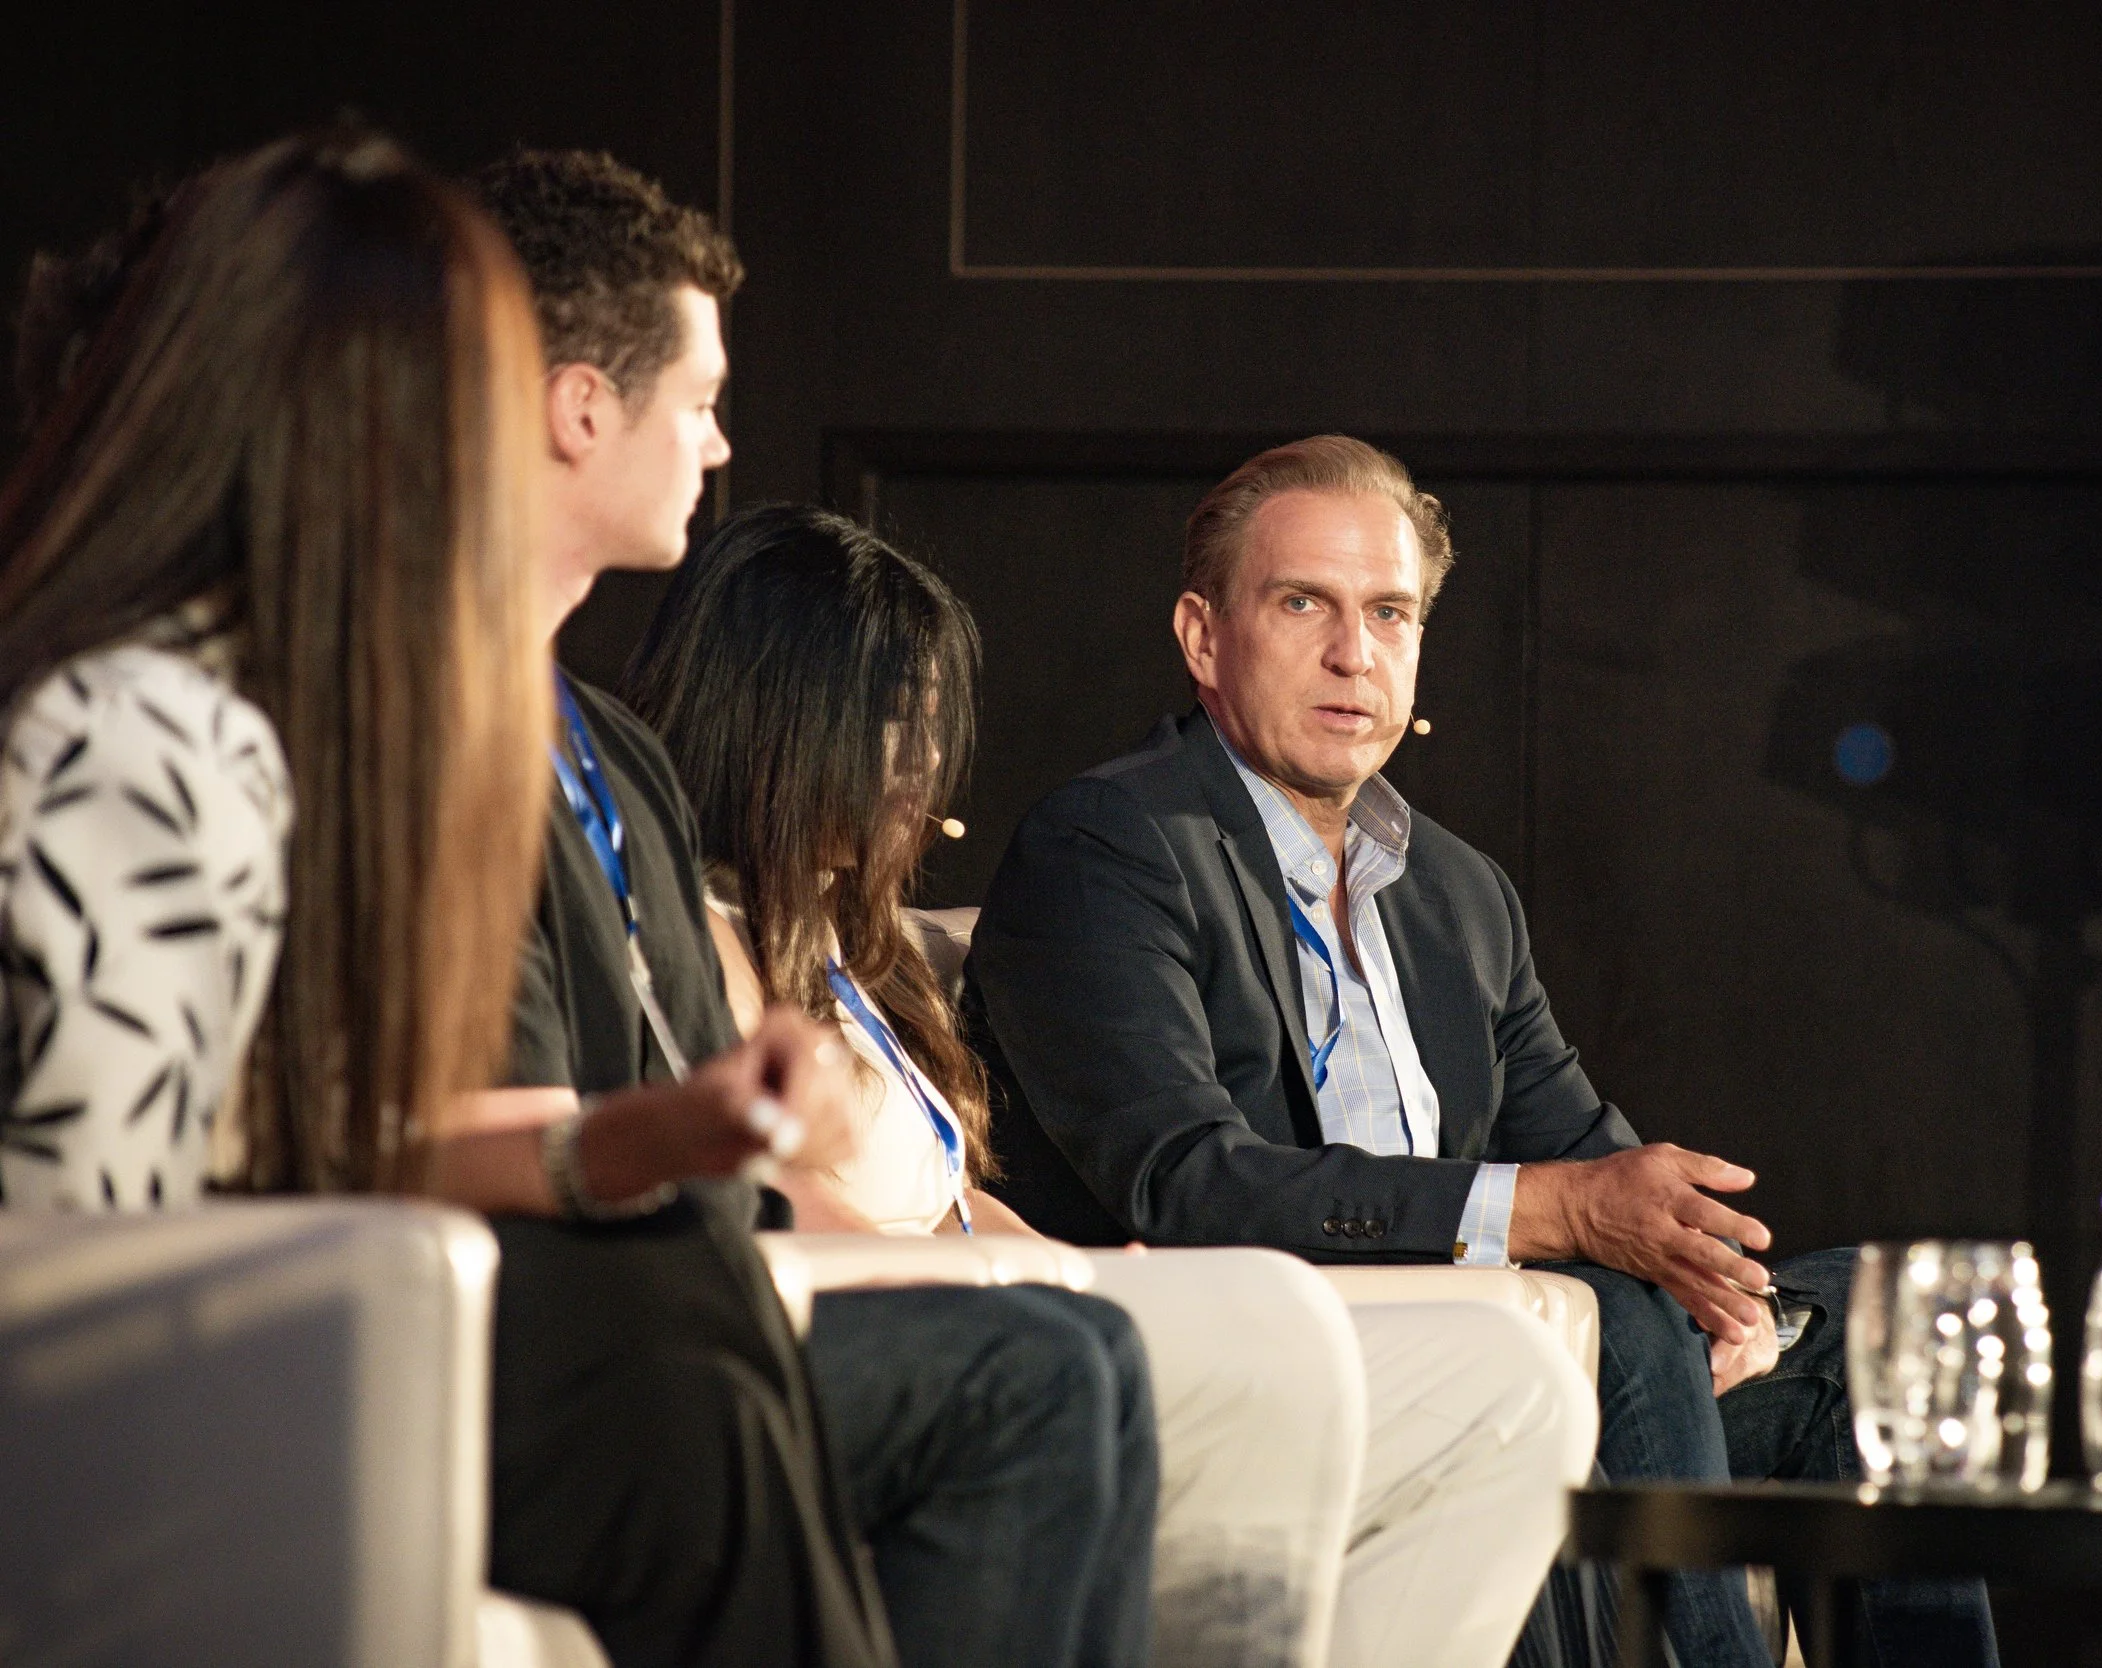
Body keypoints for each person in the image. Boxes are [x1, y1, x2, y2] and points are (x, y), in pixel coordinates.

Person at [0, 131, 888, 1668]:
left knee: (688, 1307)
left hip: (283, 1314)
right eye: (471, 385)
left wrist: (657, 1137)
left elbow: (326, 1133)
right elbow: (88, 1255)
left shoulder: (269, 708)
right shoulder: (140, 728)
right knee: (659, 1340)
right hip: (125, 1390)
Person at [966, 435, 2003, 1668]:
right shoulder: (1112, 843)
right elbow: (1187, 1182)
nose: (1354, 653)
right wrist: (1564, 1223)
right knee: (1604, 1316)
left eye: (1389, 613)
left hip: (1536, 1347)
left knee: (1866, 1327)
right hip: (1280, 1367)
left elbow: (1579, 1148)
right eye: (1303, 604)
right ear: (1203, 637)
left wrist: (1696, 1277)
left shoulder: (1458, 891)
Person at [620, 498, 1601, 1668]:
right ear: (776, 718)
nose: (919, 771)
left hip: (1006, 1302)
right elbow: (783, 1213)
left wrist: (1065, 1264)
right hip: (885, 1344)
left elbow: (947, 1193)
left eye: (933, 729)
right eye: (890, 724)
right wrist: (1035, 1276)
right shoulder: (681, 937)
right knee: (1267, 1320)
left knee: (1513, 1382)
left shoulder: (847, 953)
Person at [466, 148, 1166, 1668]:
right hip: (569, 1331)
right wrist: (703, 1136)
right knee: (1042, 1368)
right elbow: (528, 1123)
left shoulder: (610, 747)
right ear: (583, 407)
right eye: (703, 403)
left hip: (689, 1287)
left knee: (1086, 1343)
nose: (719, 449)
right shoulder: (426, 728)